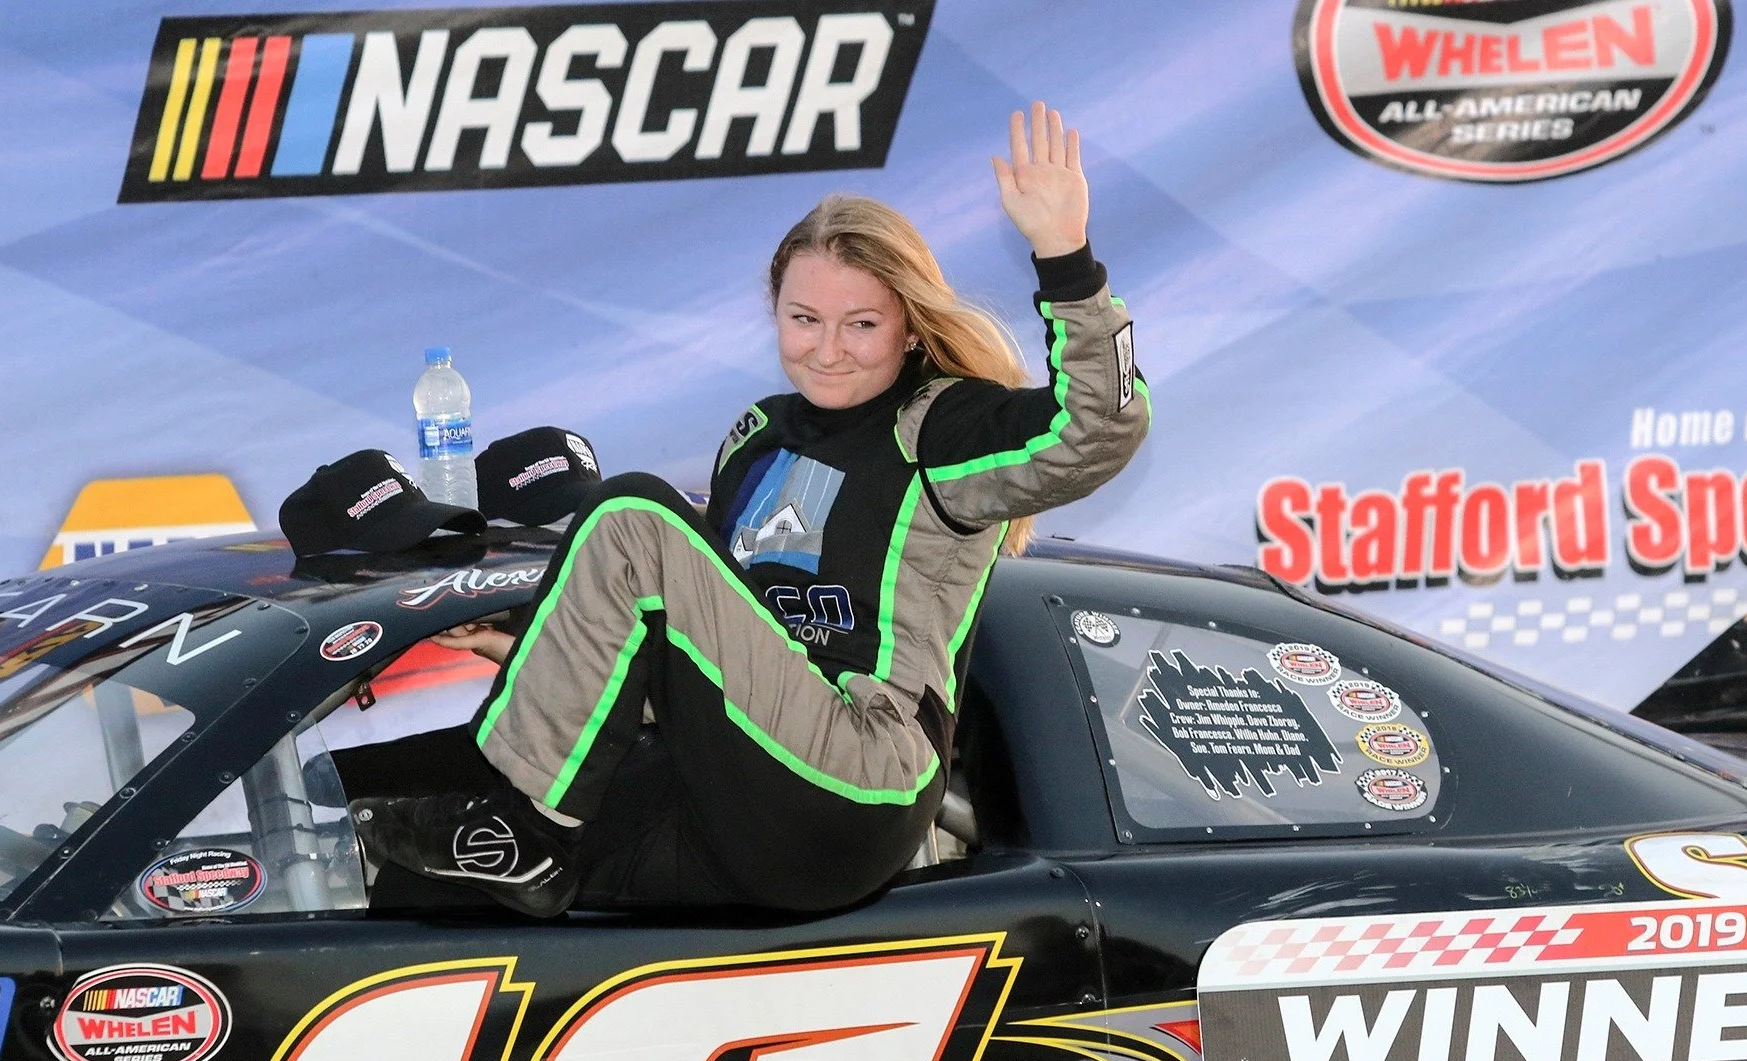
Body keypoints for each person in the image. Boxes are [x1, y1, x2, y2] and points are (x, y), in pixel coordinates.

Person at [354, 102, 1150, 917]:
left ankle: (529, 825)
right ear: (775, 311)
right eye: (804, 319)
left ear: (910, 329)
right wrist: (544, 651)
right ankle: (510, 840)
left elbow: (1099, 429)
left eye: (861, 324)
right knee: (420, 869)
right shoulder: (757, 437)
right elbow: (707, 657)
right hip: (740, 798)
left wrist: (1066, 257)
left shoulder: (940, 427)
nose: (828, 349)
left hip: (858, 782)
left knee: (631, 516)